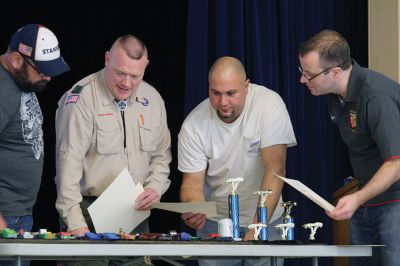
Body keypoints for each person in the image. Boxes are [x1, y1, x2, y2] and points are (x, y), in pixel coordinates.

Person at [178, 56, 297, 266]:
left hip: (266, 218)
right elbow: (192, 183)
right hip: (216, 223)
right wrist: (194, 208)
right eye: (215, 93)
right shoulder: (193, 124)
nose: (223, 102)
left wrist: (257, 225)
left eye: (231, 93)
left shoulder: (269, 104)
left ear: (246, 86)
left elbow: (275, 170)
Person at [299, 29, 400, 266]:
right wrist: (359, 199)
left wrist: (356, 198)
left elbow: (396, 163)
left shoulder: (376, 96)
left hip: (394, 204)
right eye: (301, 71)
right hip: (366, 202)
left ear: (335, 72)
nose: (302, 80)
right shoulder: (334, 96)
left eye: (309, 74)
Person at [55, 35, 171, 240]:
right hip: (87, 212)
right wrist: (76, 225)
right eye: (120, 73)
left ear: (146, 66)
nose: (127, 83)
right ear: (107, 59)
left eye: (135, 76)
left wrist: (154, 187)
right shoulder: (81, 99)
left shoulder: (152, 99)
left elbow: (161, 156)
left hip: (134, 211)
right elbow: (67, 169)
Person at [0, 24, 70, 232]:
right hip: (5, 218)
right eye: (42, 70)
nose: (48, 77)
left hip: (18, 214)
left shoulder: (19, 81)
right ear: (16, 60)